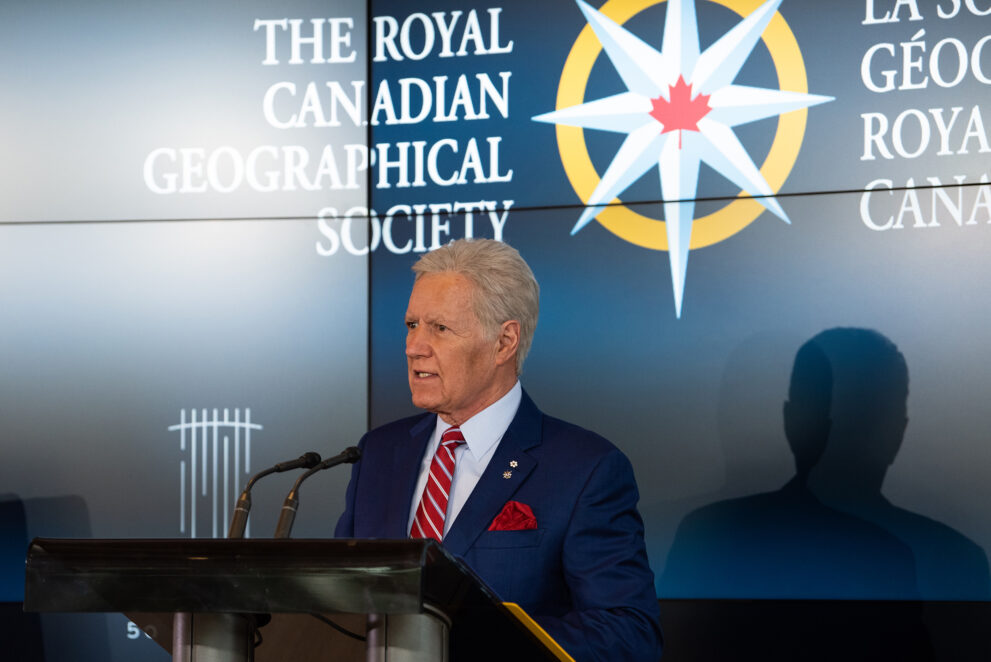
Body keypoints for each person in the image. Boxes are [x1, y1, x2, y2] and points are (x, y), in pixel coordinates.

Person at [335, 239, 663, 661]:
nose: (413, 346)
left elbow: (627, 633)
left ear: (505, 342)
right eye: (411, 324)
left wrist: (475, 641)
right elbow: (341, 607)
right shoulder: (378, 453)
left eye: (439, 328)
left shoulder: (585, 471)